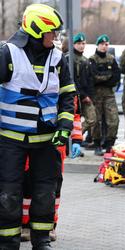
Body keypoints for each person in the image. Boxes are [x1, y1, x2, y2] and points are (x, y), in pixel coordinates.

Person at [0, 4, 76, 250]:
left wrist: (65, 124)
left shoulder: (58, 58)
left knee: (45, 192)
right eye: (51, 32)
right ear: (36, 31)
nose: (55, 37)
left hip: (47, 140)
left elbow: (67, 94)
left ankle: (41, 240)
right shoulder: (8, 54)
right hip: (10, 140)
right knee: (9, 193)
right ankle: (8, 241)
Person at [21, 96, 82, 242]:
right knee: (26, 187)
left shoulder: (66, 87)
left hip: (55, 145)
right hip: (29, 144)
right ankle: (25, 225)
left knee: (53, 189)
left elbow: (74, 114)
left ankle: (50, 226)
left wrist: (77, 139)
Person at [89, 34, 120, 155]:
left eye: (106, 44)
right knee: (96, 121)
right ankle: (97, 144)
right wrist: (107, 76)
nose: (104, 46)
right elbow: (93, 77)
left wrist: (103, 78)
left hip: (109, 95)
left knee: (113, 120)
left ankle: (109, 144)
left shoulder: (111, 59)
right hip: (95, 95)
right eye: (102, 44)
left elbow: (116, 76)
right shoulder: (92, 60)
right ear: (98, 45)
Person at [67, 32, 97, 148]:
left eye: (83, 43)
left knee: (92, 119)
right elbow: (73, 80)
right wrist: (84, 95)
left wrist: (89, 95)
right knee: (72, 120)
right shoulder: (69, 58)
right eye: (79, 43)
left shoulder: (85, 60)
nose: (81, 46)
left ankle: (74, 138)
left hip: (86, 96)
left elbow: (89, 80)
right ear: (74, 44)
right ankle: (72, 142)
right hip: (75, 96)